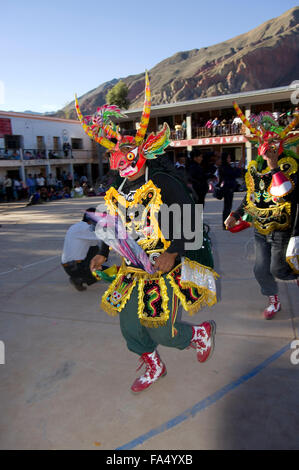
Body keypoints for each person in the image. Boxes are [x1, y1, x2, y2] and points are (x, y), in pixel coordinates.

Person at [75, 72, 218, 393]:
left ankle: (198, 334)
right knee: (129, 327)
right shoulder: (117, 185)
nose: (121, 162)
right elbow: (111, 223)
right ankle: (153, 364)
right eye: (116, 157)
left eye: (126, 155)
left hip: (164, 265)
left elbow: (189, 219)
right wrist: (100, 251)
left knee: (161, 330)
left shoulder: (164, 180)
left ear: (142, 152)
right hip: (131, 268)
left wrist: (173, 251)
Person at [225, 104, 299, 319]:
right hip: (260, 229)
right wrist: (236, 214)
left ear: (282, 143)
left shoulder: (292, 165)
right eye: (264, 142)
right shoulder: (256, 169)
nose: (268, 146)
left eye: (273, 142)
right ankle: (273, 300)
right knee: (260, 270)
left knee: (279, 269)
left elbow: (286, 194)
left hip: (282, 228)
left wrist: (274, 165)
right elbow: (253, 198)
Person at [61, 208, 107, 291]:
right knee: (106, 274)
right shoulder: (86, 228)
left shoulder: (77, 226)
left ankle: (82, 275)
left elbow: (95, 245)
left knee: (95, 249)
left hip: (70, 265)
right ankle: (78, 278)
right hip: (74, 267)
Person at [218, 153, 242, 229]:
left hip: (229, 188)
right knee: (227, 207)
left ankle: (226, 223)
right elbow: (234, 174)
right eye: (228, 158)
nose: (230, 159)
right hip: (227, 189)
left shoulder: (226, 166)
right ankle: (226, 224)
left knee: (228, 207)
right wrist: (238, 167)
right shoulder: (224, 167)